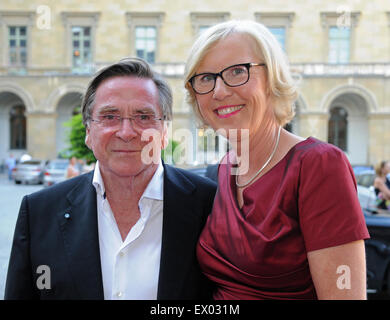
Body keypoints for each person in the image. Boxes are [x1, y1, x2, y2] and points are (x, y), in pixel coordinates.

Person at [184, 20, 369, 300]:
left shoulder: (318, 166)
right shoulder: (222, 172)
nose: (219, 91)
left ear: (272, 78)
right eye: (206, 78)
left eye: (237, 71)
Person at [5, 57, 216, 300]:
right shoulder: (39, 213)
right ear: (88, 132)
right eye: (109, 116)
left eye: (144, 117)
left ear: (164, 132)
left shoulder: (210, 205)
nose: (126, 132)